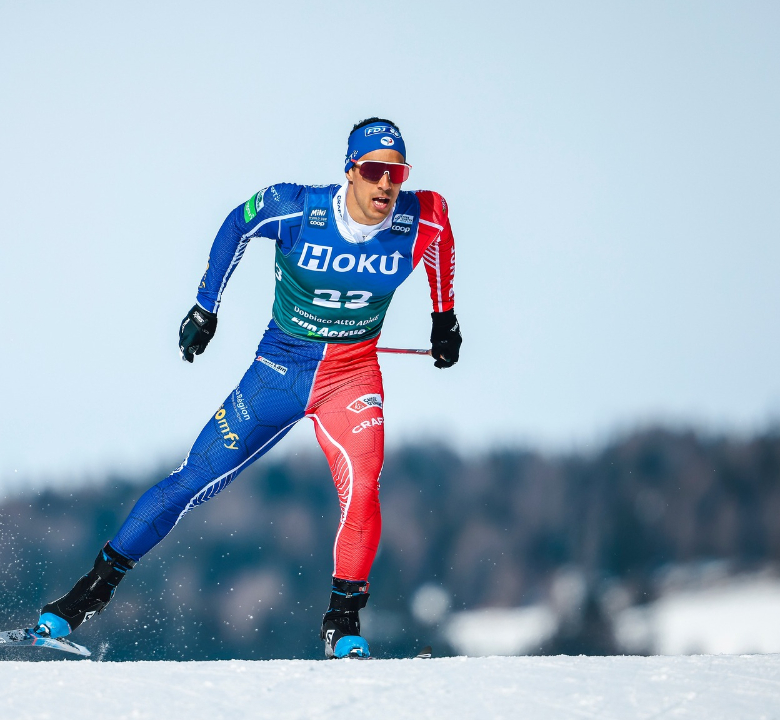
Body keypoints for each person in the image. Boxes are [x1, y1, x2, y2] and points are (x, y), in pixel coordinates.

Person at [35, 117, 462, 658]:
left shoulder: (423, 214)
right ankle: (83, 598)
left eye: (396, 173)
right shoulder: (296, 208)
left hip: (351, 375)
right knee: (192, 481)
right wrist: (204, 308)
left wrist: (444, 318)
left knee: (364, 484)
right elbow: (236, 225)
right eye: (374, 171)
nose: (385, 185)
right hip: (278, 371)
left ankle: (343, 623)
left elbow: (442, 243)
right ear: (350, 171)